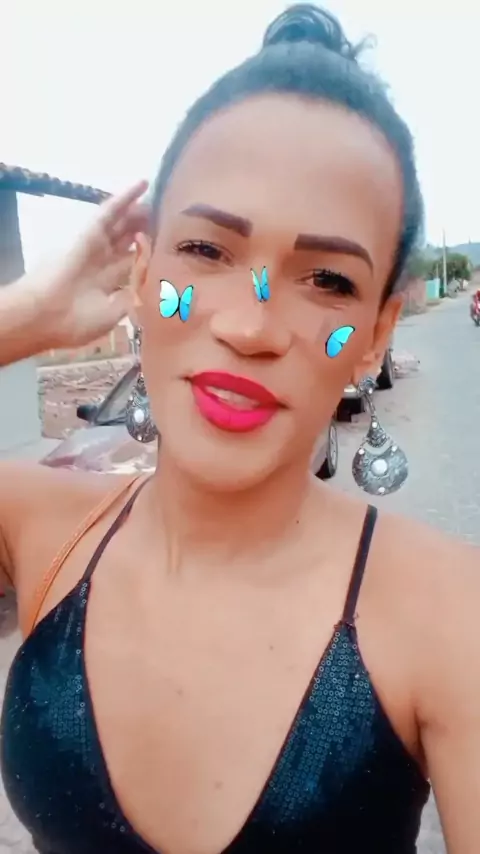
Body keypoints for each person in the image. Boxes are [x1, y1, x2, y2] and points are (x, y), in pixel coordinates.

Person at [0, 6, 479, 853]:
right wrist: (27, 318)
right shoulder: (37, 530)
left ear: (376, 332)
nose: (251, 327)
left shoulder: (451, 618)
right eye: (207, 251)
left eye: (327, 280)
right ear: (142, 271)